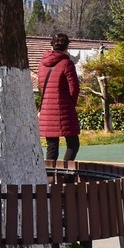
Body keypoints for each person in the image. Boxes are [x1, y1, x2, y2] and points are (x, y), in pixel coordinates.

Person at [38, 32, 81, 161]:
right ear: (66, 46)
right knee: (73, 144)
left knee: (52, 146)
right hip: (64, 108)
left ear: (52, 45)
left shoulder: (42, 64)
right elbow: (74, 88)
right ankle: (67, 176)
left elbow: (41, 86)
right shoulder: (67, 63)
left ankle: (50, 178)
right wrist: (71, 104)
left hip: (46, 109)